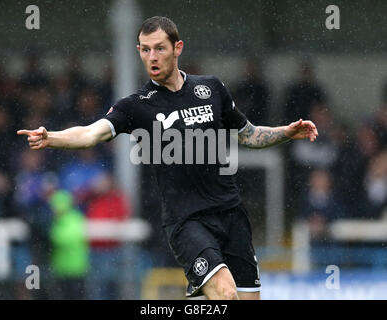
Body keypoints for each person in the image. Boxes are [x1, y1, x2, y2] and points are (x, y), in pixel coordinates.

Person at [17, 16, 318, 300]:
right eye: (145, 50)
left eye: (159, 48)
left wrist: (285, 132)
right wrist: (52, 137)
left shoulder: (211, 89)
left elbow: (247, 133)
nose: (152, 57)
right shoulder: (137, 106)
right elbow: (92, 133)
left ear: (177, 48)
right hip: (186, 222)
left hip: (231, 215)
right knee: (226, 292)